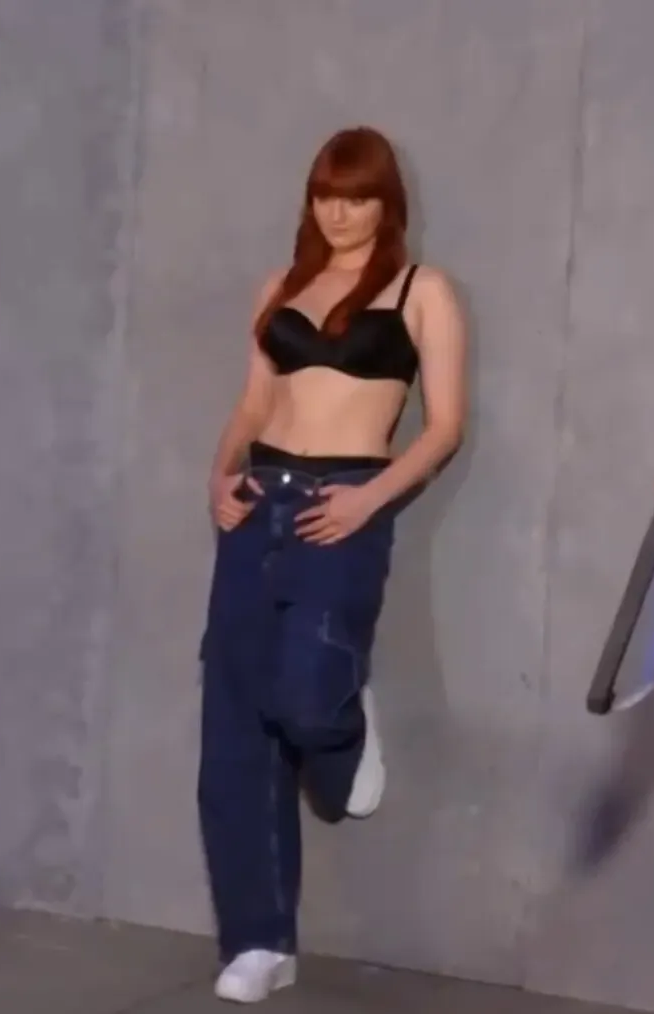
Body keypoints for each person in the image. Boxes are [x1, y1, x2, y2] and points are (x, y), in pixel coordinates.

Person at [197, 125, 468, 1004]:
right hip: (259, 500)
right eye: (326, 195)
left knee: (306, 697)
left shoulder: (422, 291)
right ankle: (259, 944)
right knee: (236, 723)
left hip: (343, 502)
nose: (339, 212)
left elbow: (444, 427)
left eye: (357, 197)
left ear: (388, 203)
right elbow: (253, 404)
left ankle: (345, 723)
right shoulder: (280, 286)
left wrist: (369, 499)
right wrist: (219, 476)